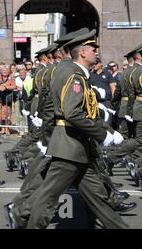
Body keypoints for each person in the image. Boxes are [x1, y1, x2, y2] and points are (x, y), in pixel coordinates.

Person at [27, 32, 128, 229]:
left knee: (100, 199)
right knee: (47, 199)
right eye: (93, 49)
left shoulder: (77, 73)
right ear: (82, 53)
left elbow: (87, 111)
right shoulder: (74, 76)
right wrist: (102, 134)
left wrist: (105, 127)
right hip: (69, 149)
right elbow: (72, 114)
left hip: (78, 149)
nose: (96, 52)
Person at [0, 66, 16, 135]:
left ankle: (7, 128)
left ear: (9, 71)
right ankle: (2, 128)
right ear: (1, 71)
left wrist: (6, 87)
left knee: (7, 114)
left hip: (8, 98)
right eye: (3, 70)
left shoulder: (11, 78)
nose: (5, 71)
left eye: (6, 70)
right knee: (0, 115)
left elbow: (14, 86)